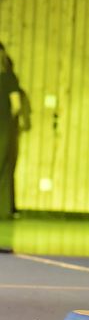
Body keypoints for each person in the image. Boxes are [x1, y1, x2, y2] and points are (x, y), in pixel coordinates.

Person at [0, 43, 21, 220]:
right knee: (4, 166)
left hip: (3, 126)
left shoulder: (9, 78)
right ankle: (4, 209)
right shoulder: (9, 78)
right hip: (4, 126)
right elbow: (16, 105)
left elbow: (17, 105)